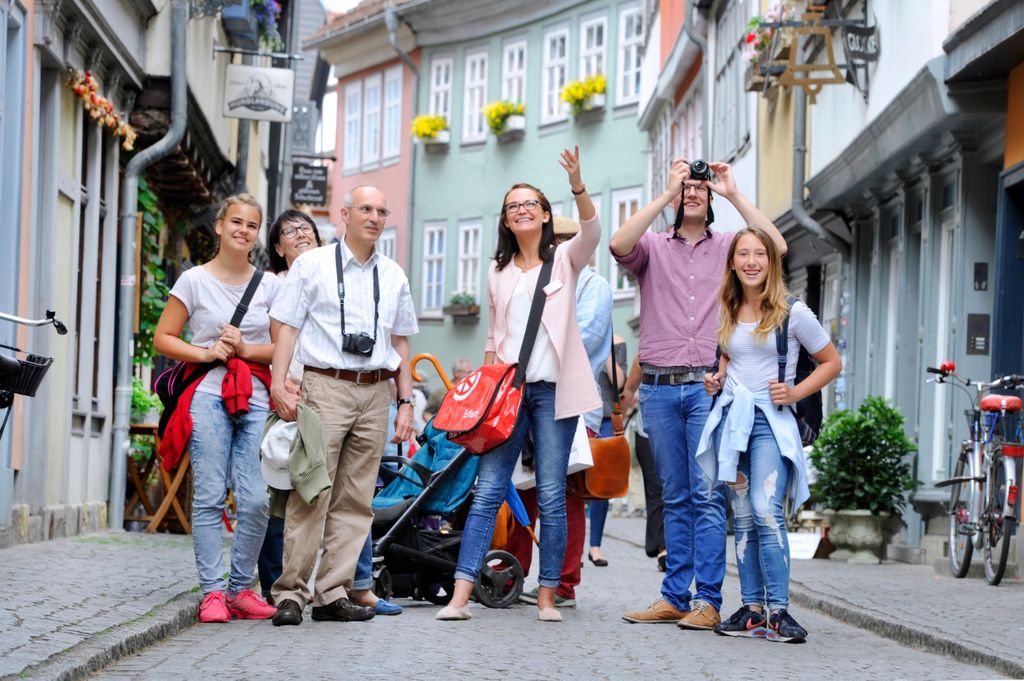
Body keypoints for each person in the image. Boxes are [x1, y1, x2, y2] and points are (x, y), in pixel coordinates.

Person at [611, 159, 787, 628]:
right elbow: (617, 243)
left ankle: (707, 600)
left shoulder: (730, 246)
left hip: (709, 388)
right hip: (659, 388)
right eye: (686, 188)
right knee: (673, 495)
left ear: (709, 200)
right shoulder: (651, 248)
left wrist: (732, 192)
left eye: (698, 188)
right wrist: (667, 193)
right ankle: (674, 595)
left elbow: (777, 246)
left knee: (707, 494)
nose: (692, 193)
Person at [435, 146, 601, 623]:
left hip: (552, 393)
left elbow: (592, 231)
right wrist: (482, 394)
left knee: (551, 493)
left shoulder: (566, 260)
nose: (522, 210)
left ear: (546, 215)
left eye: (530, 203)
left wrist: (576, 182)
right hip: (507, 395)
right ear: (506, 221)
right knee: (487, 493)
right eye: (513, 206)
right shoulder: (497, 270)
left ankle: (547, 596)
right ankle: (461, 596)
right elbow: (494, 335)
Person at [268, 186, 418, 626]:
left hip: (375, 391)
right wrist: (279, 383)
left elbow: (401, 341)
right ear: (344, 215)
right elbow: (288, 328)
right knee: (310, 489)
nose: (374, 216)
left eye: (381, 210)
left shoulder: (393, 274)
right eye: (365, 209)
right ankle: (291, 593)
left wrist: (405, 400)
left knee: (355, 498)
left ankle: (332, 593)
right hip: (325, 385)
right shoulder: (312, 266)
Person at [696, 226, 841, 643]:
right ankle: (752, 608)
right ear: (733, 262)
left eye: (759, 253)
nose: (751, 261)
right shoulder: (727, 307)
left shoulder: (793, 312)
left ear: (772, 261)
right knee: (741, 515)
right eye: (743, 254)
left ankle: (779, 610)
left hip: (770, 422)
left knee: (764, 507)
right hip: (732, 421)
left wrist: (795, 392)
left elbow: (832, 362)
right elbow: (727, 359)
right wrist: (717, 379)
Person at [153, 193, 280, 623]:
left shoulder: (270, 285)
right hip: (207, 395)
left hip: (256, 395)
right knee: (208, 494)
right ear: (220, 226)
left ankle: (240, 589)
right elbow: (164, 337)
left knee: (257, 499)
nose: (244, 231)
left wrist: (245, 347)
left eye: (252, 225)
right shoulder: (193, 280)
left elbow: (283, 347)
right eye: (237, 222)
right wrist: (206, 354)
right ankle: (211, 592)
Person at [510, 214, 612, 606]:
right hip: (529, 398)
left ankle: (564, 582)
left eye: (567, 241)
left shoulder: (593, 285)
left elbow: (583, 338)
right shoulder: (539, 279)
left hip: (572, 401)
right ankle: (514, 571)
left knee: (566, 496)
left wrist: (533, 348)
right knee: (523, 490)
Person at [257, 209, 322, 605]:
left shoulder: (334, 278)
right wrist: (280, 382)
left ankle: (348, 584)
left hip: (330, 393)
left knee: (339, 491)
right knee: (282, 489)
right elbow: (268, 337)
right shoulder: (271, 285)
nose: (300, 234)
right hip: (287, 394)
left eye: (306, 228)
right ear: (278, 248)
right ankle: (273, 584)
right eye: (289, 231)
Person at [622, 355, 666, 569]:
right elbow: (629, 390)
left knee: (675, 489)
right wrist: (616, 421)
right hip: (646, 431)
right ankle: (663, 548)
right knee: (655, 488)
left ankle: (678, 545)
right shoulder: (646, 352)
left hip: (677, 429)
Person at [587, 333, 626, 567]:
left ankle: (595, 546)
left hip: (604, 419)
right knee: (573, 484)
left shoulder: (617, 342)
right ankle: (570, 549)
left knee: (601, 485)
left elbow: (619, 382)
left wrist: (606, 346)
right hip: (580, 414)